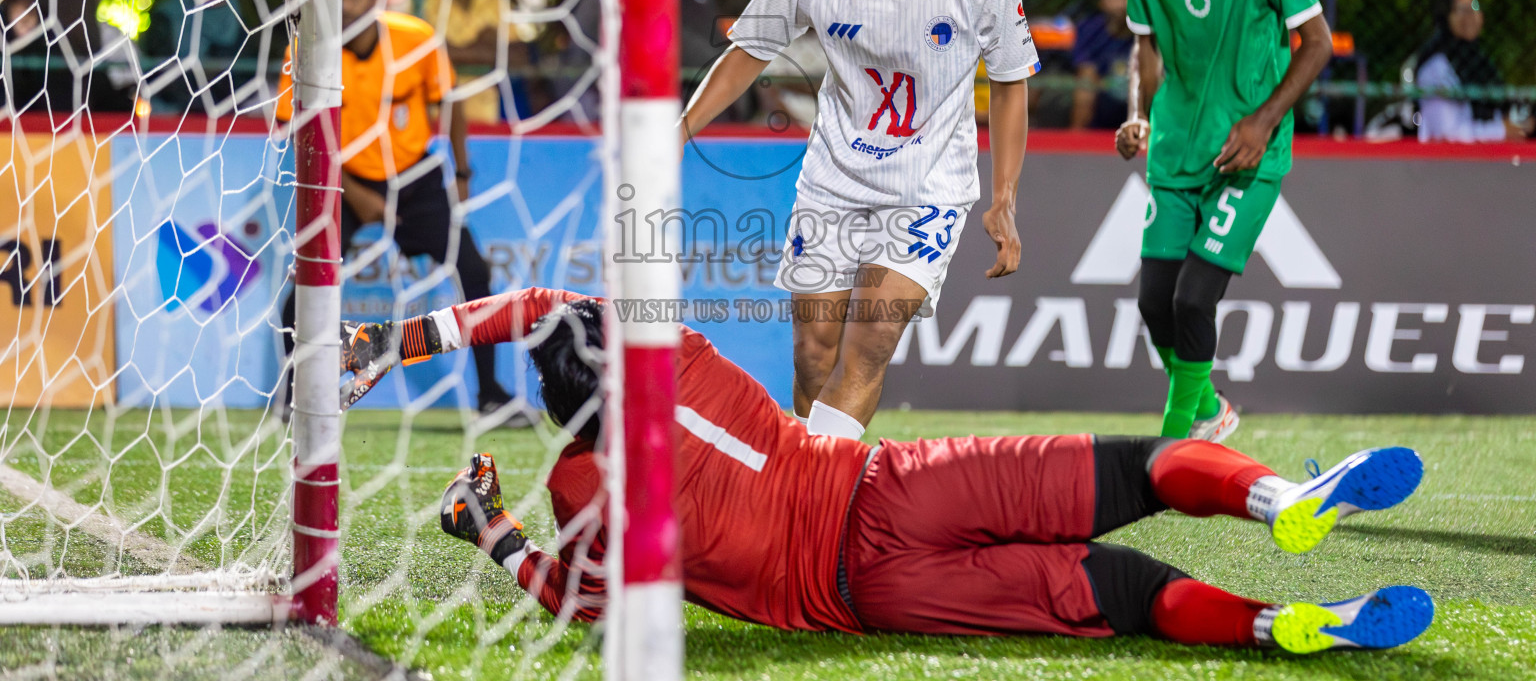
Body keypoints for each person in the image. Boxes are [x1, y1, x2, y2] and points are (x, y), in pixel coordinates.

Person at [339, 286, 1435, 654]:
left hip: (866, 594)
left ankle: (1276, 626)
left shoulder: (581, 494)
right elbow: (541, 305)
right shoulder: (678, 352)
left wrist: (492, 531)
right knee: (1141, 468)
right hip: (890, 482)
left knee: (1130, 595)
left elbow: (584, 608)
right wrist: (400, 335)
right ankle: (1282, 495)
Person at [680, 0, 1035, 441]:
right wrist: (678, 128)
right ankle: (807, 488)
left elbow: (1015, 83)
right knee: (813, 358)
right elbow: (747, 52)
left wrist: (1003, 197)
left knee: (869, 341)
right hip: (833, 183)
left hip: (928, 187)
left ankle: (818, 508)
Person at [1115, 0, 1334, 443]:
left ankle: (1177, 437)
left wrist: (1264, 121)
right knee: (1155, 303)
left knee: (1191, 299)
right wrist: (1138, 114)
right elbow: (1143, 48)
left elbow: (1317, 42)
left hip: (1247, 156)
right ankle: (1210, 406)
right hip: (1176, 151)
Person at [276, 0, 514, 415]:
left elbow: (451, 102)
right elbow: (297, 134)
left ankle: (491, 394)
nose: (346, 5)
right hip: (340, 179)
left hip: (415, 177)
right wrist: (357, 193)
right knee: (307, 281)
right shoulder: (304, 49)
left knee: (474, 269)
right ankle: (292, 398)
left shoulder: (416, 38)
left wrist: (462, 172)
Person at [420, 0, 539, 123]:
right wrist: (486, 49)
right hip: (434, 119)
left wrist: (451, 51)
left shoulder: (497, 1)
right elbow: (420, 55)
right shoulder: (423, 2)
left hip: (488, 118)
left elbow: (519, 56)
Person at [140, 0, 252, 114]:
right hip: (170, 119)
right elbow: (155, 75)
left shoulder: (242, 27)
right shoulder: (166, 20)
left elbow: (245, 82)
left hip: (229, 123)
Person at [1414, 0, 1531, 143]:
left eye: (1475, 6)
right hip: (1450, 162)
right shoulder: (1436, 67)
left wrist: (1520, 125)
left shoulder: (1480, 64)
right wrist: (1502, 131)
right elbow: (1446, 135)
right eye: (1461, 9)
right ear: (1446, 17)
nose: (1470, 15)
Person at [1070, 0, 1135, 131]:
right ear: (1103, 1)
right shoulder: (1089, 30)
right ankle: (1076, 144)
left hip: (1137, 104)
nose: (1123, 3)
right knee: (1085, 86)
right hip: (1102, 103)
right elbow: (1086, 72)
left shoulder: (1149, 33)